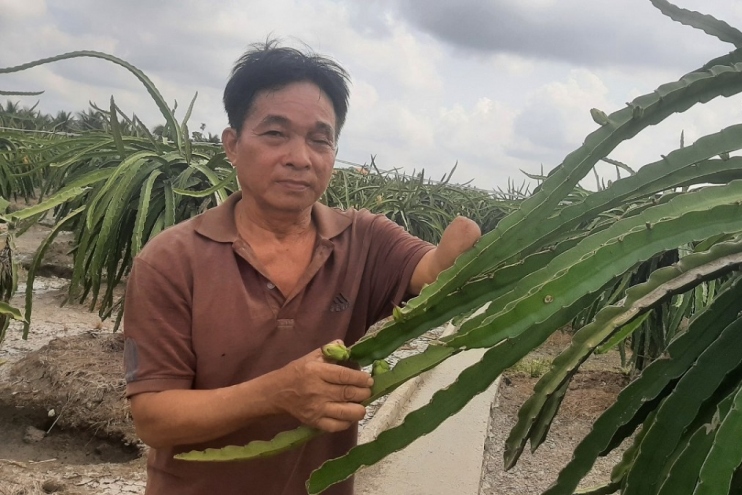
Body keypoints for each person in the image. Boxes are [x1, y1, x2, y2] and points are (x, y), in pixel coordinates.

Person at [122, 40, 481, 495]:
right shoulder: (170, 261)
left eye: (319, 139)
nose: (300, 157)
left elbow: (432, 271)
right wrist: (278, 392)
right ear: (232, 144)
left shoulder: (363, 240)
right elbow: (153, 419)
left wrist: (463, 249)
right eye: (276, 133)